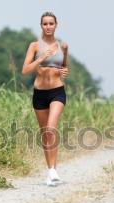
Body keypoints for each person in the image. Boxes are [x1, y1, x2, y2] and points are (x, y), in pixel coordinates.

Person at [21, 11, 70, 187]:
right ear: (41, 26)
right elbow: (25, 70)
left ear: (56, 25)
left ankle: (52, 172)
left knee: (51, 129)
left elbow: (64, 69)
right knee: (45, 134)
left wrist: (64, 70)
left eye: (51, 23)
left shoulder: (62, 46)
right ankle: (51, 170)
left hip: (57, 91)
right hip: (40, 93)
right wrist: (41, 57)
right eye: (45, 24)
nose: (48, 26)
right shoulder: (34, 46)